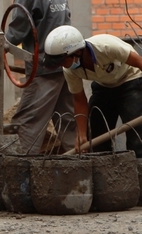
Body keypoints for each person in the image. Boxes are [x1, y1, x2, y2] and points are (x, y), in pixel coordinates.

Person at [0, 0, 76, 154]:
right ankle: (81, 168)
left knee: (27, 122)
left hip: (43, 69)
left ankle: (21, 173)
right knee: (68, 120)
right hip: (64, 67)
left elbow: (17, 30)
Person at [43, 25, 142, 157]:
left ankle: (138, 172)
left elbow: (139, 62)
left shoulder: (107, 46)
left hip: (130, 80)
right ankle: (104, 172)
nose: (61, 65)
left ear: (77, 52)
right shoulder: (69, 69)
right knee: (96, 136)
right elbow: (79, 99)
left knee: (136, 135)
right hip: (104, 86)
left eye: (62, 60)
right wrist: (81, 134)